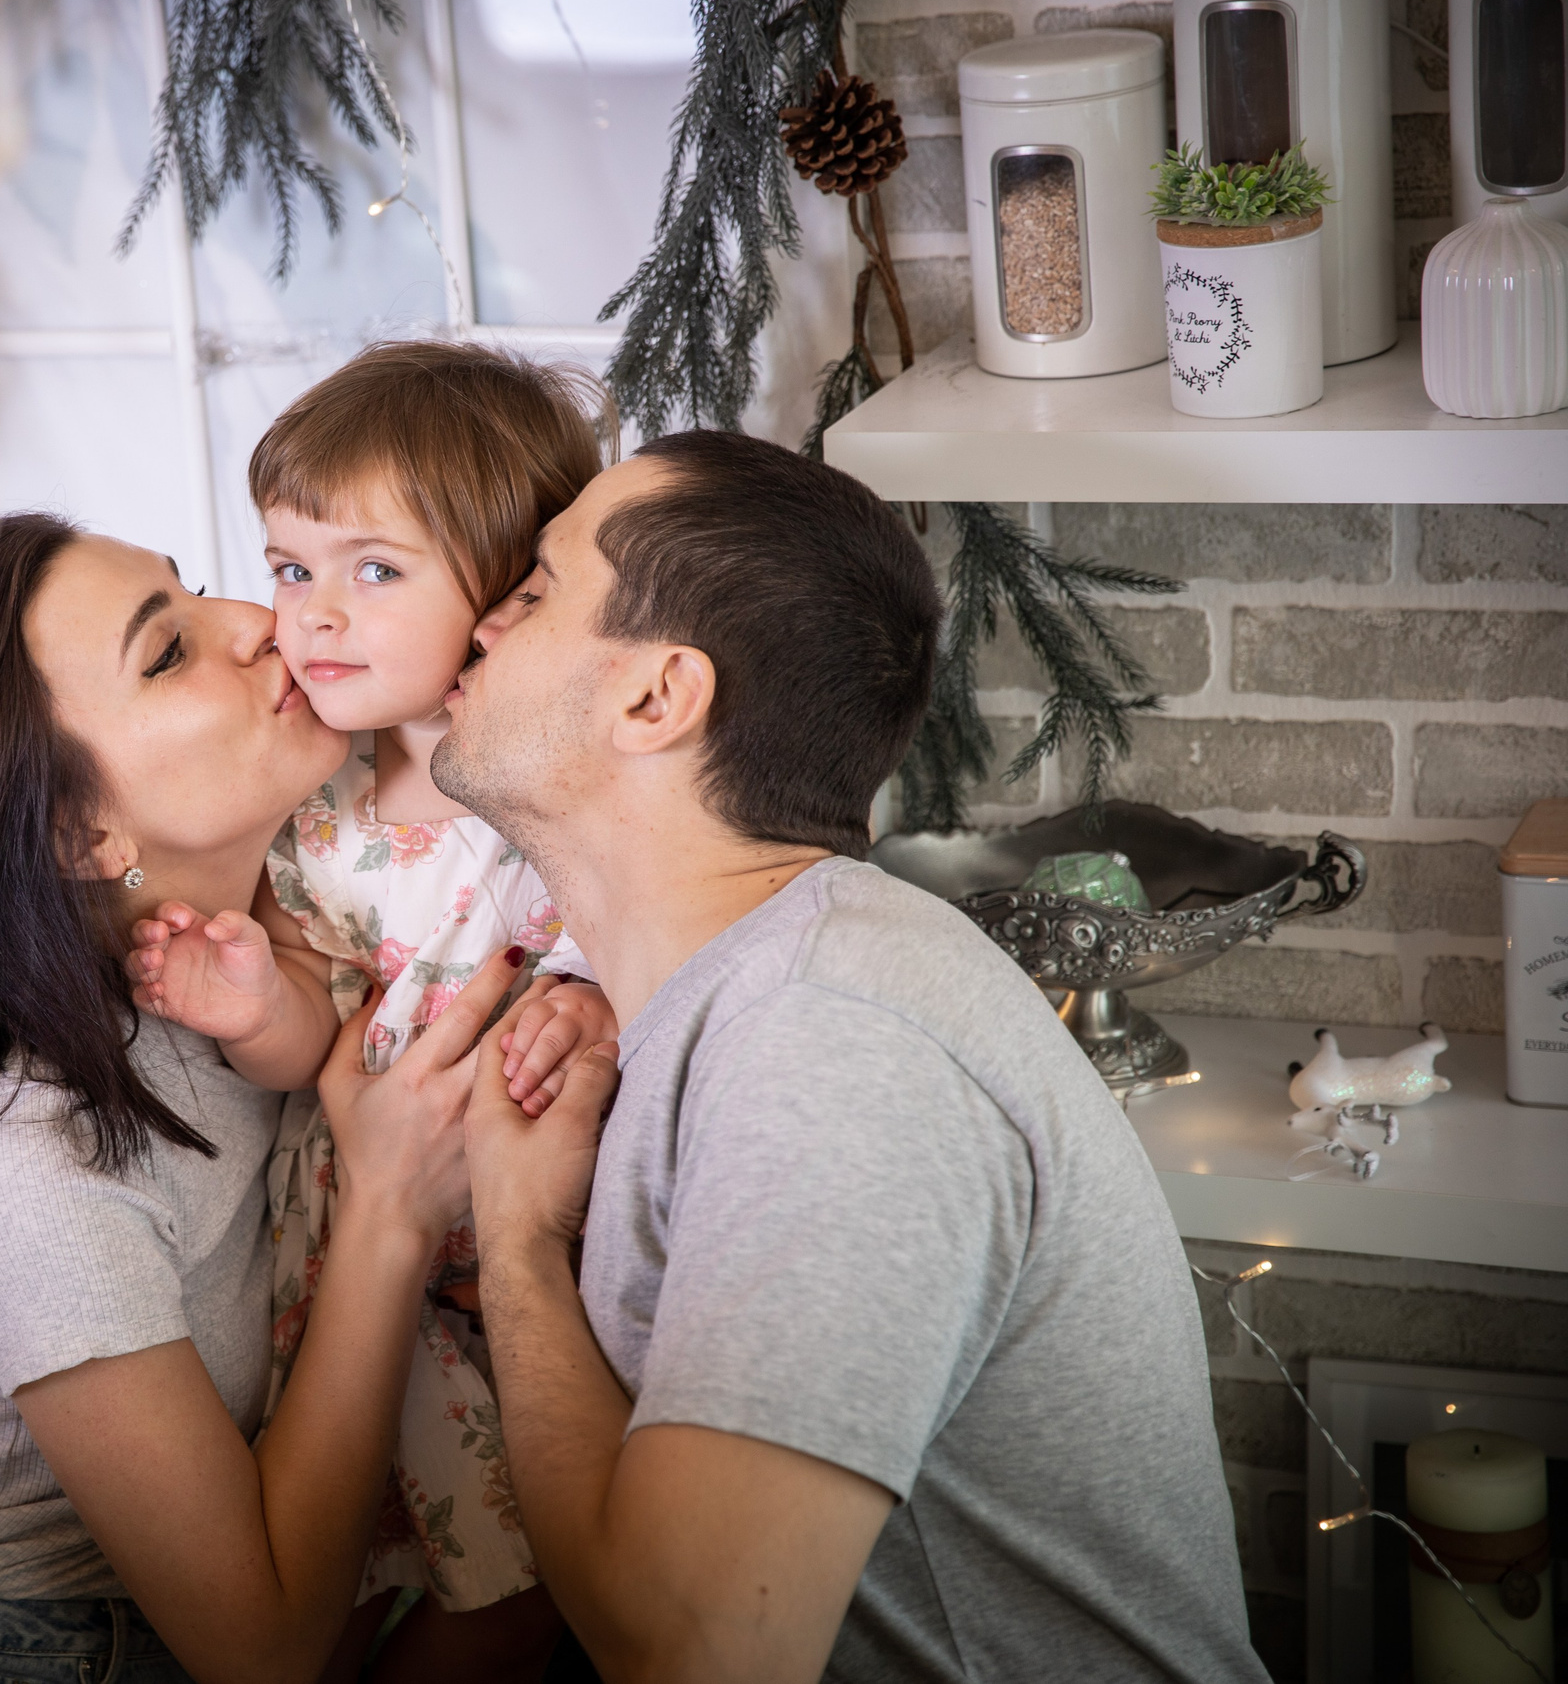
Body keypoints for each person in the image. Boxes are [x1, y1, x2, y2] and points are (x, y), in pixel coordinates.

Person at [436, 431, 1270, 1683]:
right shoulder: (751, 993)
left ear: (655, 697)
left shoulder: (833, 1035)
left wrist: (517, 1245)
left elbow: (692, 1651)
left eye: (538, 589)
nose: (483, 621)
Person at [0, 512, 528, 1684]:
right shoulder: (25, 1164)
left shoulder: (274, 943)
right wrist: (390, 1210)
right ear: (80, 830)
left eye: (194, 591)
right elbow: (262, 1651)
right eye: (168, 650)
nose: (253, 620)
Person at [124, 343, 619, 1670]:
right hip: (363, 1229)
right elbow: (310, 1038)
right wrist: (245, 1001)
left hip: (543, 1231)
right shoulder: (320, 799)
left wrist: (588, 1005)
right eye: (292, 567)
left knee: (532, 1571)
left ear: (511, 587)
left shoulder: (558, 783)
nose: (311, 615)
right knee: (392, 1541)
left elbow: (646, 940)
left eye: (373, 569)